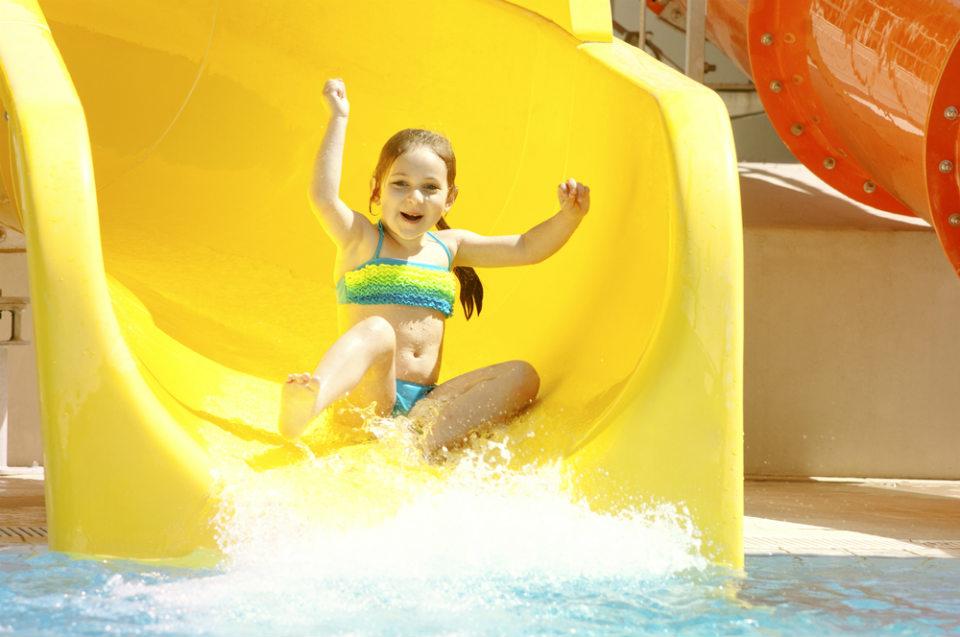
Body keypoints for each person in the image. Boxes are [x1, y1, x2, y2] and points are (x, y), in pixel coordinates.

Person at [279, 77, 590, 457]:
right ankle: (311, 402)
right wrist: (339, 118)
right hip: (367, 400)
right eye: (400, 184)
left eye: (430, 188)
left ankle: (428, 447)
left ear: (449, 199)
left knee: (523, 375)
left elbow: (526, 247)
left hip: (424, 408)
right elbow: (323, 197)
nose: (414, 197)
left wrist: (570, 216)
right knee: (376, 330)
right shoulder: (360, 239)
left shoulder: (449, 246)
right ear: (377, 190)